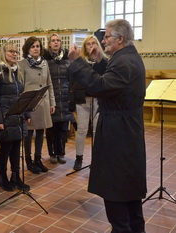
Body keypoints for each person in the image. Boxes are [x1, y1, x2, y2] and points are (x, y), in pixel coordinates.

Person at [68, 19, 147, 232]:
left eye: (108, 36)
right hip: (125, 128)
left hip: (118, 133)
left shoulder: (123, 62)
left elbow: (100, 86)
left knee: (116, 188)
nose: (104, 40)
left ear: (120, 38)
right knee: (129, 189)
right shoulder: (128, 57)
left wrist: (77, 62)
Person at [0, 42, 30, 192]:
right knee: (5, 149)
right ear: (3, 52)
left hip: (17, 117)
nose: (14, 54)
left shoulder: (16, 70)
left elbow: (21, 96)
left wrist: (26, 113)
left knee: (16, 148)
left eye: (16, 52)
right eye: (11, 51)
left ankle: (15, 176)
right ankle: (3, 177)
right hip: (5, 118)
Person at [69, 35, 108, 171]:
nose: (91, 46)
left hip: (98, 100)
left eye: (93, 43)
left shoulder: (103, 61)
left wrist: (97, 57)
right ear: (84, 47)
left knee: (97, 130)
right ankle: (79, 158)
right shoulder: (81, 62)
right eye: (88, 44)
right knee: (81, 130)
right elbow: (74, 81)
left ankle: (97, 159)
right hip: (83, 99)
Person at [18, 36, 56, 174]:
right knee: (28, 133)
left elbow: (49, 84)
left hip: (43, 102)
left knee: (41, 131)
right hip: (30, 104)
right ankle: (28, 160)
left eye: (38, 46)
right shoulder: (22, 64)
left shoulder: (45, 63)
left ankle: (38, 159)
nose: (36, 49)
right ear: (28, 49)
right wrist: (23, 108)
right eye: (33, 46)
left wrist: (52, 102)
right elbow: (20, 87)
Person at [43, 33, 76, 165]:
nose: (56, 43)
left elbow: (71, 78)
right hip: (52, 97)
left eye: (58, 40)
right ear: (49, 44)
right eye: (53, 41)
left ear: (61, 43)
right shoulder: (45, 59)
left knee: (63, 129)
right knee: (51, 128)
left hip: (64, 96)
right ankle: (52, 153)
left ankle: (61, 153)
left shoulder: (67, 59)